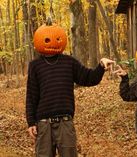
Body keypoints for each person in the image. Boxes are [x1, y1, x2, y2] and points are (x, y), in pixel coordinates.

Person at [26, 20, 115, 157]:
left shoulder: (69, 62)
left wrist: (101, 66)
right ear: (38, 41)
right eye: (47, 39)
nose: (51, 42)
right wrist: (31, 122)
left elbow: (89, 78)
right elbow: (31, 95)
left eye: (56, 39)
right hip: (43, 125)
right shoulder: (35, 65)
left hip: (65, 123)